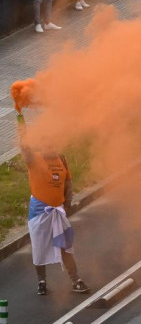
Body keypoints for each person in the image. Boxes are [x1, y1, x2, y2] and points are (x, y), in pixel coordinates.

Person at [20, 126, 89, 295]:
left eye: (52, 145)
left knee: (65, 247)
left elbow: (68, 183)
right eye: (46, 145)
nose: (49, 148)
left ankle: (76, 280)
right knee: (39, 248)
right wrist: (22, 133)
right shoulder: (34, 159)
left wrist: (68, 203)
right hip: (38, 213)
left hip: (58, 212)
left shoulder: (61, 159)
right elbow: (25, 149)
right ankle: (41, 282)